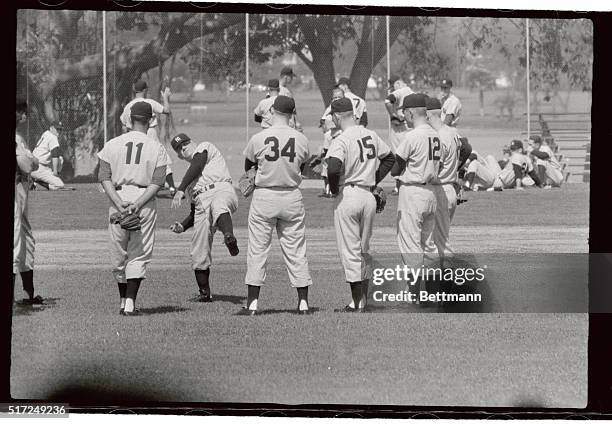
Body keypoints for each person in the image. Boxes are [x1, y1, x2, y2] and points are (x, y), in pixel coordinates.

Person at [241, 95, 312, 316]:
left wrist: (254, 174)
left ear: (272, 112)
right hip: (291, 195)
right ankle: (303, 303)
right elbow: (306, 167)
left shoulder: (259, 137)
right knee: (296, 251)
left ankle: (252, 304)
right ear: (292, 114)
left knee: (258, 250)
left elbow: (248, 165)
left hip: (265, 196)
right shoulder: (301, 139)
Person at [97, 101, 168, 316]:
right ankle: (129, 303)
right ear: (151, 120)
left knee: (118, 254)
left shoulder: (112, 143)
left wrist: (118, 202)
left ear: (130, 119)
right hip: (143, 199)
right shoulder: (156, 147)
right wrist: (138, 203)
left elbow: (103, 176)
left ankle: (122, 301)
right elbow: (158, 181)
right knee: (138, 254)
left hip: (117, 197)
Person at [326, 98, 395, 312]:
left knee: (350, 251)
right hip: (368, 196)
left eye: (332, 117)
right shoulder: (370, 134)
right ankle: (361, 300)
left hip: (350, 195)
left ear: (337, 117)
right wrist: (374, 180)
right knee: (364, 249)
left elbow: (333, 168)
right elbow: (390, 158)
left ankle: (357, 303)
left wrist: (335, 189)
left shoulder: (341, 139)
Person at [169, 133, 239, 302]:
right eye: (179, 149)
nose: (183, 148)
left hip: (221, 189)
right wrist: (183, 226)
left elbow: (198, 164)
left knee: (218, 205)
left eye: (185, 144)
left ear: (192, 142)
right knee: (198, 250)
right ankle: (204, 293)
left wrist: (180, 188)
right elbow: (194, 212)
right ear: (179, 156)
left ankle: (228, 236)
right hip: (201, 203)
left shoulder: (204, 147)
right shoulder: (190, 176)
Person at [390, 93, 440, 288]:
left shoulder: (412, 136)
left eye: (405, 113)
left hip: (412, 192)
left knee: (410, 245)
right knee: (429, 245)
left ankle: (416, 297)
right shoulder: (435, 134)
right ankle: (434, 293)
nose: (404, 117)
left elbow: (396, 168)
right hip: (431, 193)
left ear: (410, 113)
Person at [120, 80, 176, 195]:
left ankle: (137, 185)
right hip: (149, 131)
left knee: (138, 160)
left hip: (133, 134)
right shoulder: (149, 102)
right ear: (145, 90)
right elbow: (166, 110)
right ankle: (171, 187)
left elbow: (124, 124)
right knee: (160, 158)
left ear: (134, 90)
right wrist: (165, 97)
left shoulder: (128, 106)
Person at [426, 97, 463, 269]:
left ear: (427, 114)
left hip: (441, 190)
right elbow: (467, 149)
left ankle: (449, 286)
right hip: (450, 189)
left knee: (440, 243)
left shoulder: (439, 136)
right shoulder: (452, 132)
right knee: (440, 239)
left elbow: (435, 168)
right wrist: (455, 171)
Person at [14, 99, 43, 305]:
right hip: (16, 192)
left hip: (21, 193)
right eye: (21, 112)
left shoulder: (19, 138)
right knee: (16, 243)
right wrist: (31, 160)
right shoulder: (16, 139)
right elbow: (27, 164)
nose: (25, 116)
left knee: (26, 241)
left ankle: (28, 294)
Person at [464, 140, 543, 191]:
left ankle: (469, 184)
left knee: (474, 161)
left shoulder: (516, 156)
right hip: (498, 176)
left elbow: (517, 171)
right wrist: (541, 185)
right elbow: (533, 174)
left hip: (497, 181)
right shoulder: (527, 159)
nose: (512, 151)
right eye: (511, 149)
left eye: (514, 149)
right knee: (489, 157)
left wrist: (518, 186)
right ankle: (475, 182)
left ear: (520, 150)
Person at [384, 75, 414, 194]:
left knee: (398, 156)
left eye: (393, 86)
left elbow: (387, 101)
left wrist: (393, 115)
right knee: (409, 157)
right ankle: (407, 184)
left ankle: (398, 187)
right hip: (410, 129)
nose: (392, 89)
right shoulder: (412, 92)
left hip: (400, 129)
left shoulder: (401, 90)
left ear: (398, 83)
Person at [30, 121, 65, 190]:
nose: (59, 131)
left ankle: (34, 179)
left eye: (60, 129)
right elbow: (55, 154)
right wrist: (55, 171)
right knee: (60, 185)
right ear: (51, 128)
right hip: (39, 167)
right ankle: (37, 182)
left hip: (32, 165)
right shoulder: (53, 137)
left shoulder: (46, 133)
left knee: (60, 159)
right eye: (57, 129)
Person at [278, 66, 302, 131]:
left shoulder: (273, 90)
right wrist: (297, 122)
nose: (292, 79)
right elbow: (292, 109)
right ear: (286, 77)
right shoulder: (285, 91)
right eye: (291, 77)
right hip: (287, 124)